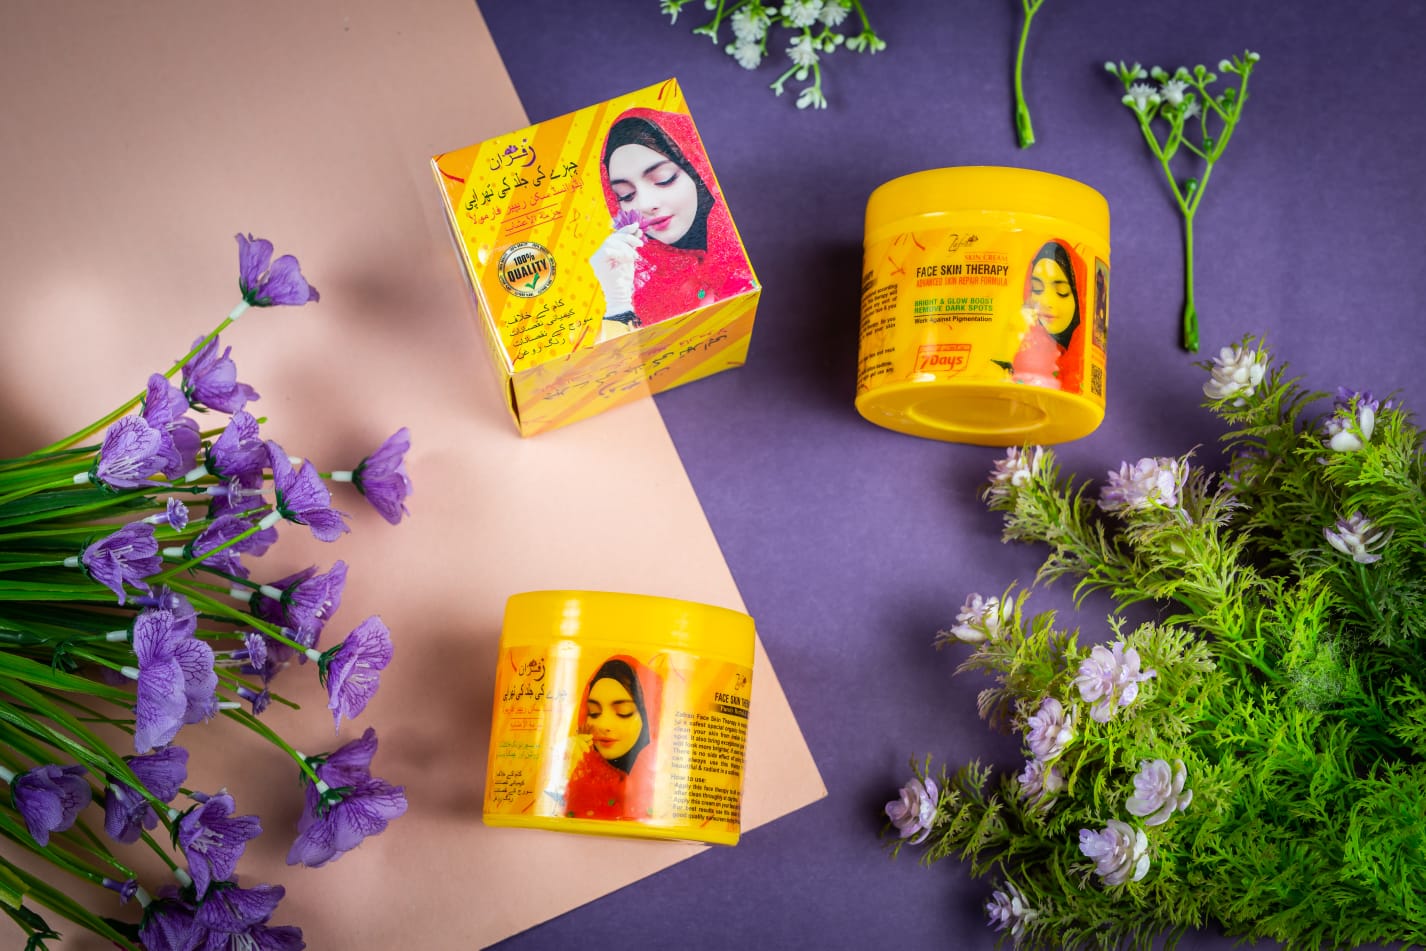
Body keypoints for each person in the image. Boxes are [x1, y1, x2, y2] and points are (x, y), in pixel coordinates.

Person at [588, 109, 754, 342]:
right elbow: (617, 361)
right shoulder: (648, 298)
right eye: (625, 195)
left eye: (663, 179)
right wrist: (617, 301)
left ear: (696, 170)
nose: (645, 204)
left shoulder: (749, 248)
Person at [564, 656, 662, 821]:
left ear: (649, 716)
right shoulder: (576, 778)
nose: (603, 725)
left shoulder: (662, 783)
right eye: (593, 712)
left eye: (623, 712)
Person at [1011, 240, 1085, 393]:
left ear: (1080, 298)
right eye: (1037, 289)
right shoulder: (1025, 349)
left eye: (1061, 291)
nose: (1046, 301)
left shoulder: (1083, 362)